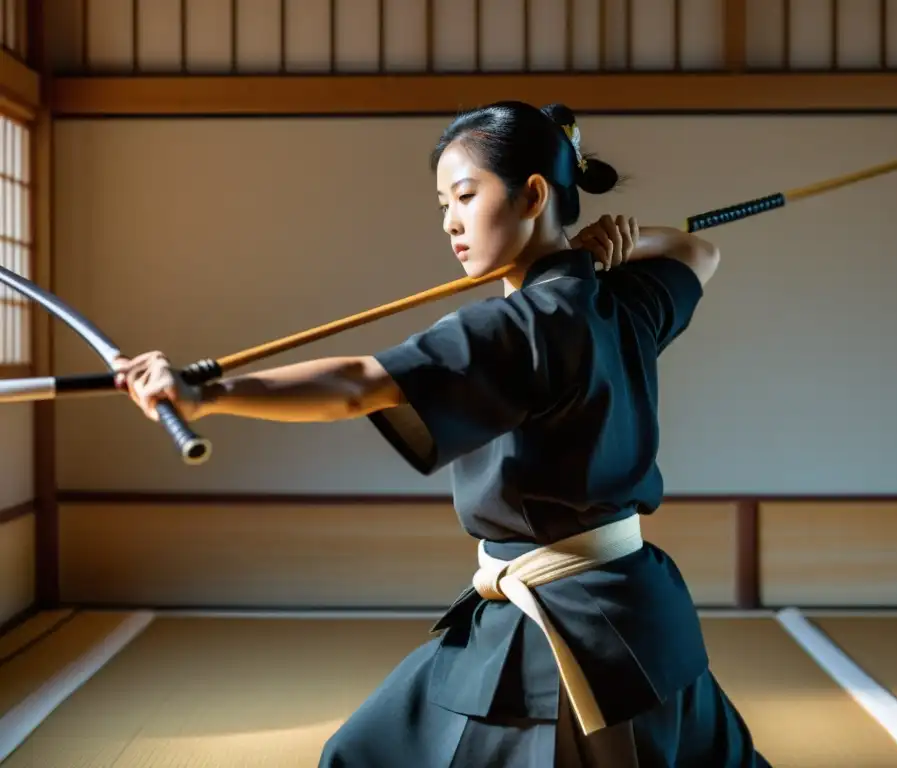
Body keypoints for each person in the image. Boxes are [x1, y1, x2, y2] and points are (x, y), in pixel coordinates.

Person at [115, 100, 770, 767]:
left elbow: (358, 384)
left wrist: (207, 393)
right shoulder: (618, 304)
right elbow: (696, 250)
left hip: (565, 626)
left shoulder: (525, 325)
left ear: (533, 195)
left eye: (465, 195)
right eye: (442, 206)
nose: (451, 223)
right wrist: (616, 243)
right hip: (632, 606)